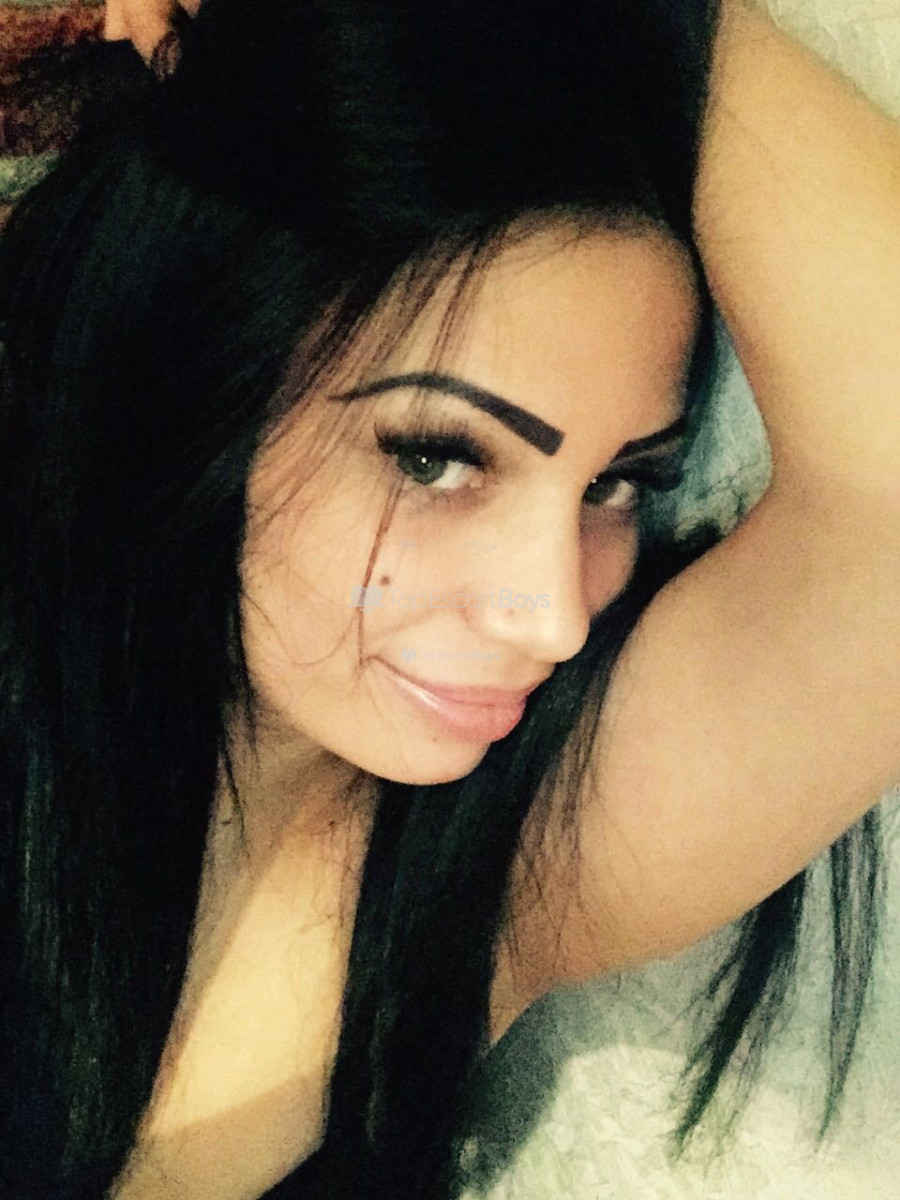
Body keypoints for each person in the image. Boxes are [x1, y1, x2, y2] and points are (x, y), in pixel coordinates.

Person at [0, 0, 897, 1196]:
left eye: (618, 484)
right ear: (190, 376)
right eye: (436, 457)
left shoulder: (488, 870)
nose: (554, 616)